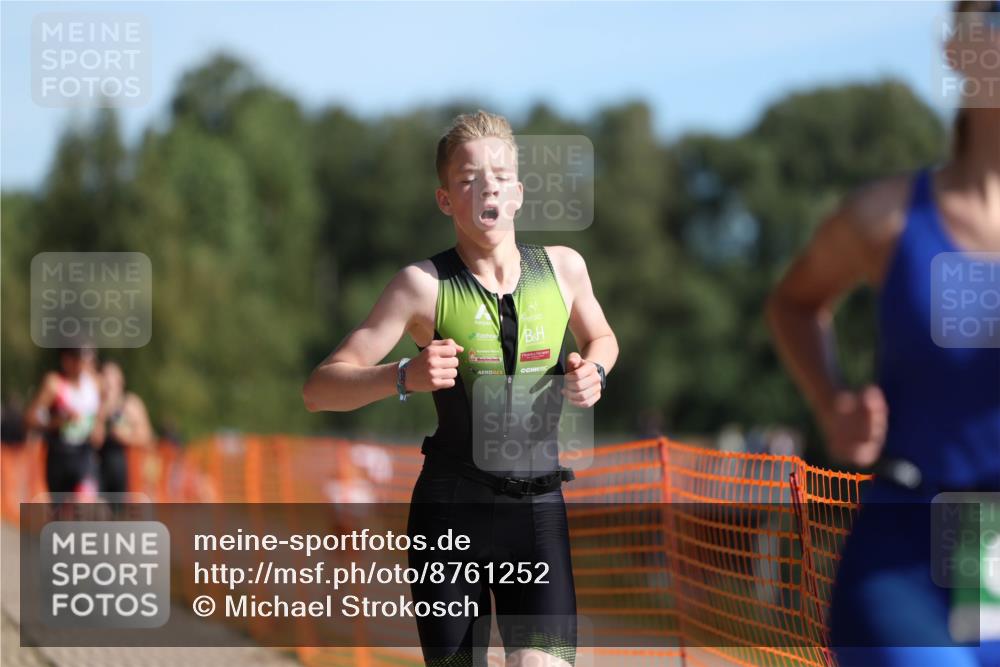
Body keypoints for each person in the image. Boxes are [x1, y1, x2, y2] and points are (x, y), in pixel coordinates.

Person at [303, 110, 618, 667]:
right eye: (470, 178)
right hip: (451, 516)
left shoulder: (564, 269)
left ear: (518, 193)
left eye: (499, 174)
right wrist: (403, 376)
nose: (488, 184)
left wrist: (593, 371)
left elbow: (604, 339)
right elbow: (320, 389)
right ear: (446, 199)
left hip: (538, 512)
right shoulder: (421, 287)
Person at [766, 3, 1000, 665]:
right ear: (959, 50)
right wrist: (833, 400)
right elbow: (794, 302)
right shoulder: (886, 216)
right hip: (906, 553)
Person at [24, 347, 103, 503]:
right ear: (66, 360)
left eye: (85, 358)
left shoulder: (94, 383)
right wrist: (58, 421)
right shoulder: (54, 384)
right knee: (63, 516)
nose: (82, 363)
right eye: (78, 358)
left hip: (84, 455)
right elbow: (31, 418)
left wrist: (98, 429)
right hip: (59, 455)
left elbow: (98, 420)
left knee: (85, 504)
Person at [96, 361, 155, 501]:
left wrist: (125, 436)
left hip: (128, 473)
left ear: (120, 381)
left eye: (110, 378)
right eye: (103, 376)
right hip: (99, 469)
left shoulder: (130, 404)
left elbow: (147, 437)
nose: (106, 382)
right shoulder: (95, 404)